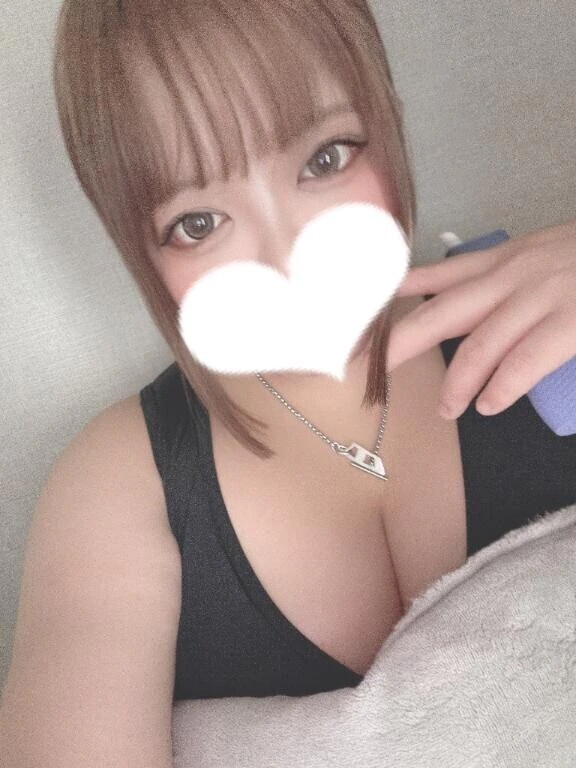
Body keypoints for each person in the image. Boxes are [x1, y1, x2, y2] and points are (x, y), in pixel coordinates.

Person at [2, 1, 575, 766]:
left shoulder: (549, 320)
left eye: (326, 159)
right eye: (198, 223)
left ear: (387, 119)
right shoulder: (116, 489)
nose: (287, 258)